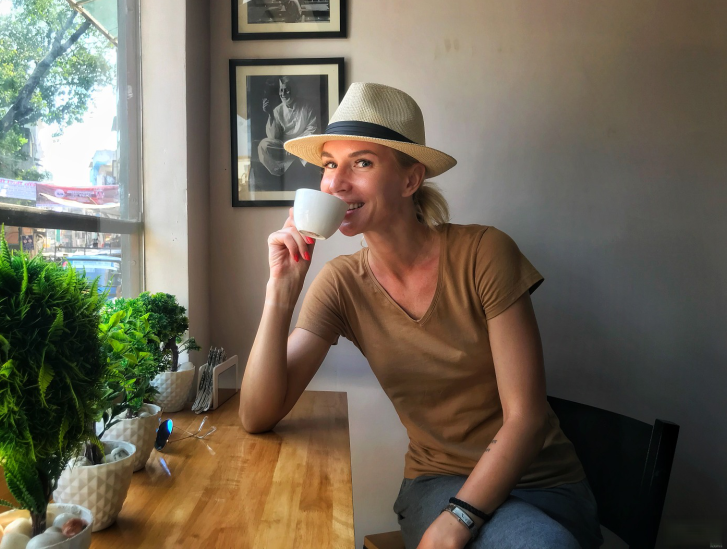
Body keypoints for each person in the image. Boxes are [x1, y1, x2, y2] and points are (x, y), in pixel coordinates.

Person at [240, 83, 603, 549]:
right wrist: (280, 293)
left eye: (361, 163)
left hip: (542, 483)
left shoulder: (484, 253)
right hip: (439, 481)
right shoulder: (341, 283)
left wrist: (459, 519)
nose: (336, 182)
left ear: (411, 180)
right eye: (330, 164)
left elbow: (526, 418)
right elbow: (257, 415)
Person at [257, 76, 318, 177]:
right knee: (263, 145)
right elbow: (273, 137)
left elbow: (312, 128)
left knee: (314, 145)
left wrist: (295, 145)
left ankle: (298, 158)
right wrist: (270, 114)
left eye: (287, 90)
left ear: (294, 90)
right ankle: (285, 165)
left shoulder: (307, 106)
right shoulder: (277, 110)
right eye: (281, 90)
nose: (283, 94)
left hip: (302, 144)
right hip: (284, 147)